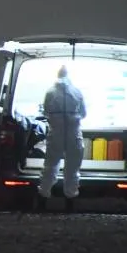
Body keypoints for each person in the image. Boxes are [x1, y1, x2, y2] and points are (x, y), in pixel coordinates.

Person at [37, 64, 87, 211]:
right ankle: (70, 201)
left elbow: (45, 111)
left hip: (56, 133)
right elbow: (84, 113)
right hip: (73, 132)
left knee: (50, 166)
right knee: (72, 168)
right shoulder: (77, 91)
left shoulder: (51, 92)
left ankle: (43, 198)